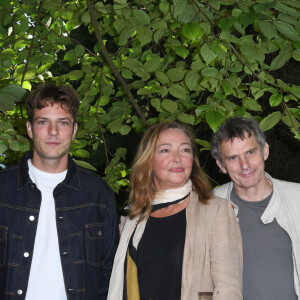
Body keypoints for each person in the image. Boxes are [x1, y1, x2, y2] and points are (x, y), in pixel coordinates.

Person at [0, 84, 118, 300]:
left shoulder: (98, 196)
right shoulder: (3, 190)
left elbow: (112, 275)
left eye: (62, 122)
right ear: (29, 128)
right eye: (43, 122)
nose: (53, 132)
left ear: (73, 130)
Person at [108, 121, 242, 300]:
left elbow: (228, 289)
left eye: (185, 150)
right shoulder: (130, 218)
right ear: (148, 159)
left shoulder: (215, 211)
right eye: (165, 150)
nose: (177, 158)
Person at [211, 116, 300, 300]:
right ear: (221, 165)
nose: (245, 165)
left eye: (250, 152)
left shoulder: (297, 199)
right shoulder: (209, 208)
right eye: (233, 157)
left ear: (265, 151)